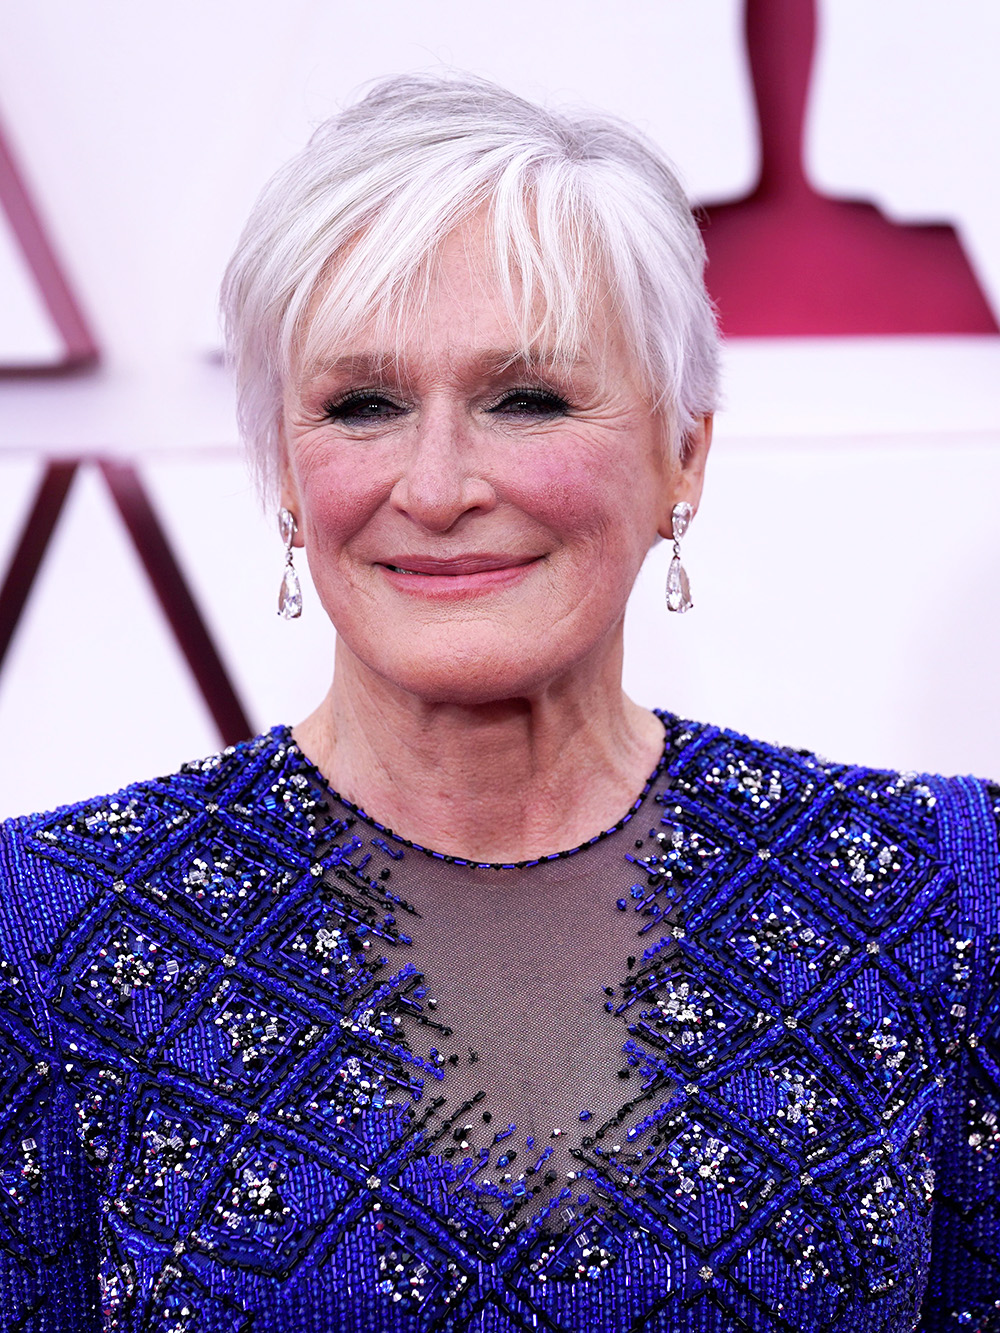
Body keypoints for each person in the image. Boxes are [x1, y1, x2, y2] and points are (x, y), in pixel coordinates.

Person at [0, 73, 997, 1333]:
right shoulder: (45, 935)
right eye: (362, 406)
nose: (435, 483)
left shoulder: (937, 900)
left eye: (525, 398)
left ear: (683, 451)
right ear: (286, 479)